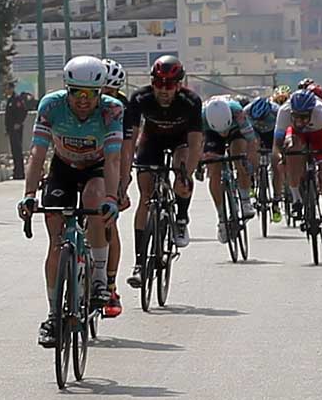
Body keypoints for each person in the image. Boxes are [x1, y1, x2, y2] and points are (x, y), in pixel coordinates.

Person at [18, 56, 122, 345]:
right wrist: (28, 195)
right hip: (62, 169)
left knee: (95, 200)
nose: (84, 100)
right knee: (55, 242)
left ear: (101, 92)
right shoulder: (51, 106)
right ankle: (53, 316)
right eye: (77, 92)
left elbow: (114, 159)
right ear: (67, 89)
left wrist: (112, 198)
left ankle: (99, 278)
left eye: (91, 93)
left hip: (96, 169)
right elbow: (37, 155)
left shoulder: (111, 111)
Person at [122, 56, 203, 289]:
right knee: (146, 198)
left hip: (181, 141)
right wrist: (125, 173)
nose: (164, 90)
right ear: (152, 82)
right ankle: (139, 264)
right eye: (159, 83)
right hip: (152, 140)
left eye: (169, 84)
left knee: (181, 174)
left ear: (179, 84)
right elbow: (130, 140)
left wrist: (187, 173)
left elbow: (196, 142)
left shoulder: (191, 101)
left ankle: (180, 218)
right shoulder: (140, 98)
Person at [275, 88, 322, 244]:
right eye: (296, 117)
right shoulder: (284, 112)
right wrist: (282, 158)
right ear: (291, 112)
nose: (300, 121)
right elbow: (277, 144)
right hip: (296, 135)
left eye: (304, 117)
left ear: (311, 112)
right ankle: (296, 198)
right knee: (292, 151)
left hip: (319, 134)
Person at [200, 95, 258, 242]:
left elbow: (251, 140)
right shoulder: (201, 117)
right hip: (211, 134)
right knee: (214, 172)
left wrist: (250, 161)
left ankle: (245, 201)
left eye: (224, 130)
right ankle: (221, 219)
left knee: (239, 157)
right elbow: (196, 144)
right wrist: (199, 164)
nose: (223, 134)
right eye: (221, 131)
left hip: (236, 131)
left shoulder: (237, 112)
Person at [99, 59, 129, 317]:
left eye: (110, 93)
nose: (104, 97)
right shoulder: (78, 101)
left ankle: (109, 284)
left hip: (109, 162)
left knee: (109, 222)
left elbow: (124, 150)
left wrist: (122, 185)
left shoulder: (121, 109)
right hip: (77, 160)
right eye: (101, 91)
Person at [244, 95, 284, 223]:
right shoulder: (246, 111)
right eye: (258, 119)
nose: (261, 122)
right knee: (252, 151)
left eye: (263, 119)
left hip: (272, 134)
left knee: (276, 163)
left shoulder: (277, 112)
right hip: (255, 133)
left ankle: (277, 200)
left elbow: (282, 132)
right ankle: (252, 180)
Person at [4, 80, 28, 180]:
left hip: (16, 129)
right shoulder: (10, 100)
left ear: (12, 89)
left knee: (17, 151)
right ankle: (16, 171)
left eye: (8, 88)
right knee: (14, 151)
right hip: (11, 129)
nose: (7, 91)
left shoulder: (17, 99)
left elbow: (23, 111)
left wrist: (19, 123)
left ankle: (20, 172)